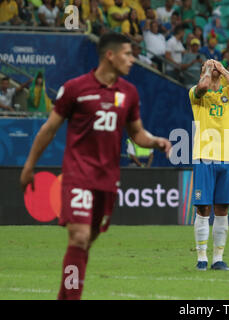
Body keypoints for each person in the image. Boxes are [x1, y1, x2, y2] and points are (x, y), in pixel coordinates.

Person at [19, 33, 172, 300]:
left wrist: (155, 142)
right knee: (78, 237)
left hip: (107, 179)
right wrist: (29, 165)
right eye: (127, 53)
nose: (132, 59)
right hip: (78, 175)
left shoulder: (128, 93)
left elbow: (137, 133)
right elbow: (49, 128)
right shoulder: (75, 88)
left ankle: (65, 295)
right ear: (109, 56)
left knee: (87, 241)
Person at [188, 59, 229, 271]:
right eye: (205, 66)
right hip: (204, 156)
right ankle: (201, 257)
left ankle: (218, 259)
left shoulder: (228, 94)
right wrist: (209, 70)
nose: (211, 68)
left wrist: (223, 69)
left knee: (222, 209)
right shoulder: (196, 95)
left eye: (213, 66)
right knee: (203, 208)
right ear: (202, 71)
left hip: (228, 157)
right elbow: (202, 86)